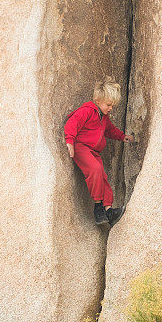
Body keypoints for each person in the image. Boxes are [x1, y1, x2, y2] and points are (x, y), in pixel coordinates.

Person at [64, 76, 134, 226]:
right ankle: (97, 207)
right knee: (95, 169)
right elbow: (72, 122)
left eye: (113, 106)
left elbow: (110, 130)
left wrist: (123, 137)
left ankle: (108, 211)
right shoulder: (87, 111)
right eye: (108, 104)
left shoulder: (104, 117)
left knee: (102, 178)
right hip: (81, 147)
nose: (111, 108)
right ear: (97, 100)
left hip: (94, 152)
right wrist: (69, 141)